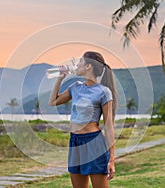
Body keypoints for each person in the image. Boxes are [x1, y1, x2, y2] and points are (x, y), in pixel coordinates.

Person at [49, 51, 117, 188]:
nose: (77, 64)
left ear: (88, 67)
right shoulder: (75, 87)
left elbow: (109, 126)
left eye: (80, 61)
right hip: (75, 142)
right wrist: (60, 78)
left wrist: (111, 159)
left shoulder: (103, 92)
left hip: (94, 143)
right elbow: (53, 102)